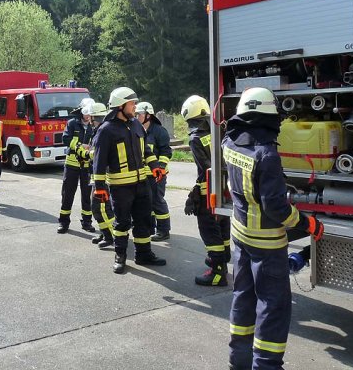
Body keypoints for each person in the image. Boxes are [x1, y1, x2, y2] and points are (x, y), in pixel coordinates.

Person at [222, 87, 324, 370]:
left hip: (240, 236)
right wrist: (308, 223)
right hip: (267, 245)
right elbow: (277, 208)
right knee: (272, 307)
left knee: (243, 298)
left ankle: (238, 361)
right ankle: (266, 366)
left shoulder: (229, 142)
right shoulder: (266, 154)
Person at [92, 87, 167, 274]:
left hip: (142, 185)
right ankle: (120, 256)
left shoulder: (136, 125)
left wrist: (155, 166)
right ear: (120, 105)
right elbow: (99, 162)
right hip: (120, 188)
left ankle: (144, 254)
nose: (135, 107)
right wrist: (99, 187)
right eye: (132, 103)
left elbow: (146, 150)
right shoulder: (106, 130)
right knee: (122, 223)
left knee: (143, 221)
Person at [181, 95, 231, 287]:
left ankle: (217, 273)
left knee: (209, 230)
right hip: (225, 189)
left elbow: (205, 169)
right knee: (222, 225)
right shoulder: (218, 130)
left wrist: (195, 192)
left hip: (208, 192)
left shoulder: (195, 139)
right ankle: (223, 263)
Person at [57, 98, 96, 234]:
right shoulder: (72, 123)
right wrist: (80, 145)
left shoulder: (94, 126)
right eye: (86, 113)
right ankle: (63, 223)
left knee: (86, 196)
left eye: (90, 113)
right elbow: (65, 139)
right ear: (81, 111)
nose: (88, 116)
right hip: (72, 165)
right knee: (67, 195)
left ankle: (87, 223)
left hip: (87, 166)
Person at [136, 101, 172, 241]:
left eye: (139, 114)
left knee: (157, 201)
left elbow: (166, 152)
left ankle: (163, 230)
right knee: (146, 203)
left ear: (148, 115)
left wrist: (161, 168)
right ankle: (150, 228)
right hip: (143, 175)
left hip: (157, 175)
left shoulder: (159, 131)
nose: (136, 116)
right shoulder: (137, 130)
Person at [88, 102, 115, 249]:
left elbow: (100, 155)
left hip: (103, 177)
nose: (89, 120)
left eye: (90, 117)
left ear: (94, 117)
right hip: (97, 176)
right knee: (97, 207)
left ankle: (111, 236)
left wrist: (87, 153)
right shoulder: (99, 130)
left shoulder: (103, 131)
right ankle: (105, 232)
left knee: (102, 208)